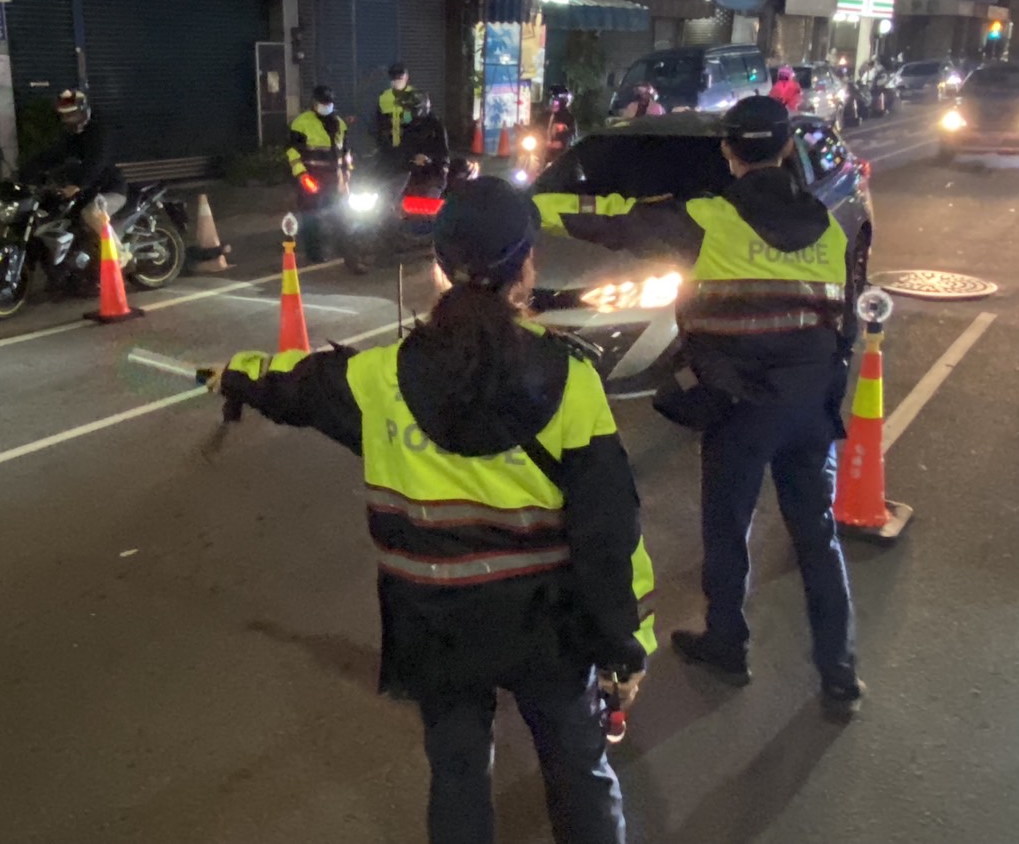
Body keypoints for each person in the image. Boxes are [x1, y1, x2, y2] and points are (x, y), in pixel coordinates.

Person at [213, 176, 657, 843]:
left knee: (456, 774)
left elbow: (294, 387)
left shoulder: (379, 378)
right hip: (547, 625)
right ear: (525, 265)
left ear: (442, 267)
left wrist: (234, 373)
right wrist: (625, 645)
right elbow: (607, 532)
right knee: (577, 768)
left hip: (435, 624)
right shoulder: (572, 379)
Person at [533, 96, 863, 717]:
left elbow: (608, 221)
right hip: (808, 404)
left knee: (727, 528)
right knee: (817, 536)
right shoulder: (826, 223)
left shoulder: (706, 219)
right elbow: (843, 322)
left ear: (728, 151)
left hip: (739, 405)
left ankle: (728, 645)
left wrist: (524, 208)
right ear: (787, 148)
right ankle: (840, 672)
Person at [19, 90, 126, 219]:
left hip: (109, 188)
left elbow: (96, 161)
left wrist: (79, 185)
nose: (67, 119)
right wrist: (25, 173)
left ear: (83, 112)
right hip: (85, 191)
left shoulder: (99, 132)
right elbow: (54, 155)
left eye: (72, 114)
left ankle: (114, 241)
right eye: (64, 115)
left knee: (92, 214)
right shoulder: (72, 136)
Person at [286, 85, 350, 263]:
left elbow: (345, 153)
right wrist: (302, 176)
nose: (326, 106)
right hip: (312, 178)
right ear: (314, 102)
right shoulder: (301, 123)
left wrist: (347, 175)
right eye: (322, 102)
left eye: (328, 103)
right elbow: (292, 153)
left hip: (335, 179)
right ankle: (314, 254)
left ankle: (342, 249)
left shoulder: (339, 123)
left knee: (341, 215)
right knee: (311, 217)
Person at [377, 63, 418, 153]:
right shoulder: (384, 96)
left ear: (406, 78)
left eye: (400, 78)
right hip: (389, 147)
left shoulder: (414, 95)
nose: (397, 81)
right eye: (394, 78)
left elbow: (417, 121)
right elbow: (379, 121)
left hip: (410, 146)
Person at [545, 84, 578, 161]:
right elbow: (535, 127)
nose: (553, 102)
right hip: (541, 151)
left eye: (556, 100)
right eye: (552, 99)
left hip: (560, 155)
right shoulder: (544, 116)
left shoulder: (568, 117)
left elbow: (572, 134)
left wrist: (562, 142)